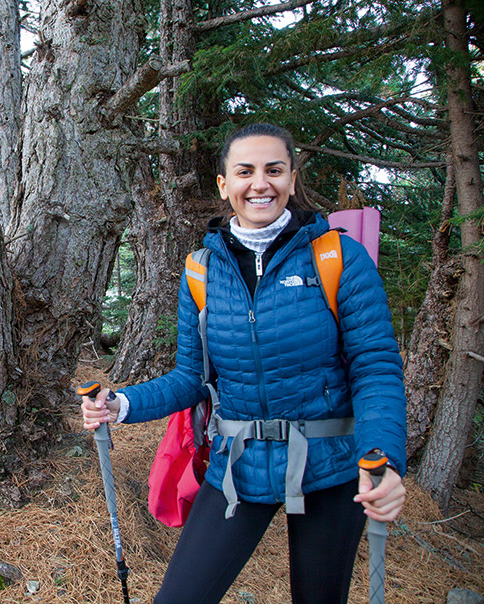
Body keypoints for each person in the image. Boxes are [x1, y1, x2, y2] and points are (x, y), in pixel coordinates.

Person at [81, 123, 406, 604]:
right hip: (239, 465)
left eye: (274, 170)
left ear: (292, 180)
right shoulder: (202, 271)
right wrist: (122, 404)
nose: (260, 184)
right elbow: (193, 378)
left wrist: (384, 459)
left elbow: (375, 368)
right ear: (224, 184)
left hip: (331, 468)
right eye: (245, 171)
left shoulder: (338, 258)